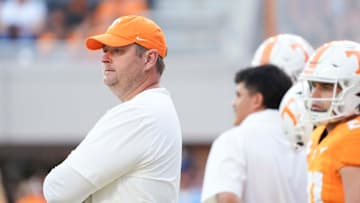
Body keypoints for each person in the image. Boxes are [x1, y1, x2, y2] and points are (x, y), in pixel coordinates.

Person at [43, 15, 182, 203]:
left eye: (118, 50)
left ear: (149, 59)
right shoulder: (154, 109)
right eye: (105, 50)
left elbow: (57, 189)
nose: (105, 58)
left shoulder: (140, 113)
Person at [201, 65, 307, 203]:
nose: (233, 103)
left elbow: (227, 198)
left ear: (257, 100)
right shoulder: (306, 143)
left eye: (239, 95)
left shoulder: (232, 140)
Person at [299, 40, 360, 203]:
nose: (315, 95)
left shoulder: (353, 136)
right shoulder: (320, 133)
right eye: (314, 85)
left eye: (326, 87)